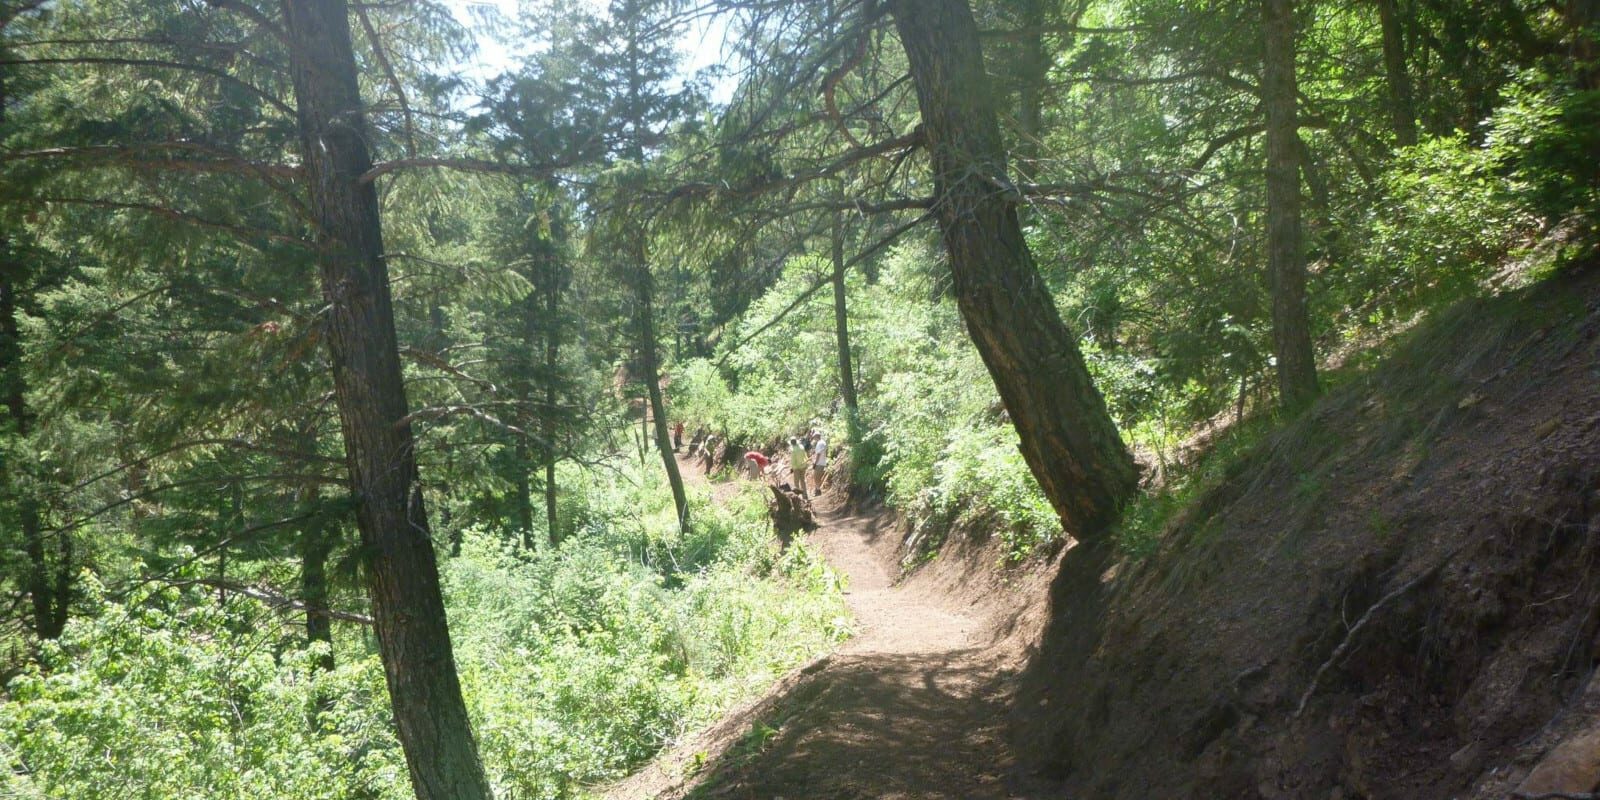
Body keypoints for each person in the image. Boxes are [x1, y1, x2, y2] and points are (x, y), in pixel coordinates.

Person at [809, 432, 828, 496]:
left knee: (816, 477)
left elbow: (818, 454)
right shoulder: (823, 442)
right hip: (822, 462)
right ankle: (817, 490)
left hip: (819, 463)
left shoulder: (820, 443)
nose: (814, 438)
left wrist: (815, 463)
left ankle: (818, 491)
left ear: (817, 436)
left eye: (814, 437)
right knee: (817, 477)